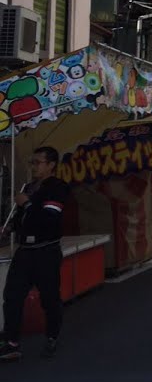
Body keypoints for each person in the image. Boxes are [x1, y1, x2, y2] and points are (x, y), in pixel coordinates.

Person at [0, 146, 70, 362]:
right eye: (32, 163)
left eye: (38, 162)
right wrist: (10, 227)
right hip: (25, 251)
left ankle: (51, 336)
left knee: (49, 297)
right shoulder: (28, 187)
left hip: (46, 250)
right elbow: (23, 217)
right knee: (12, 296)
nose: (34, 167)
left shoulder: (58, 188)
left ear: (51, 165)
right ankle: (11, 341)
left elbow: (50, 218)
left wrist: (28, 204)